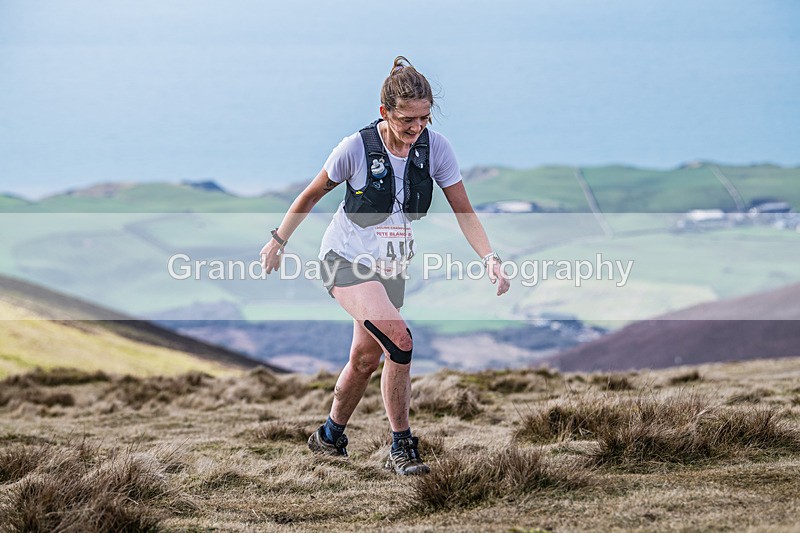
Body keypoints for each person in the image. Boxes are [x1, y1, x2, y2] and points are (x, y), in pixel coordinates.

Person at [259, 56, 509, 475]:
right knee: (401, 341)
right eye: (408, 119)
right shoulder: (355, 148)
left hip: (390, 269)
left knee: (364, 359)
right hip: (343, 261)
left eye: (425, 118)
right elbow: (309, 196)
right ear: (384, 113)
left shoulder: (436, 149)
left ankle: (328, 436)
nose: (417, 128)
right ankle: (402, 446)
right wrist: (277, 241)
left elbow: (464, 211)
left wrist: (490, 259)